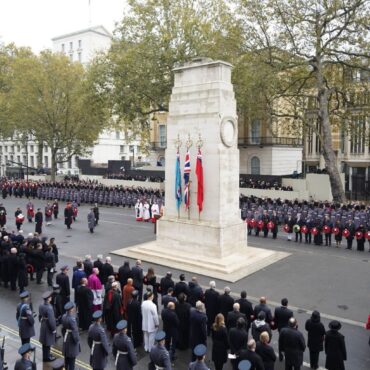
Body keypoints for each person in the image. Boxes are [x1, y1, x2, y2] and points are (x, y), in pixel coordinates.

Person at [61, 302, 80, 370]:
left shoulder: (63, 316)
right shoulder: (72, 319)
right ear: (71, 309)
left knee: (66, 359)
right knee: (72, 360)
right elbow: (75, 331)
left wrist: (65, 335)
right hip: (71, 340)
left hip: (66, 338)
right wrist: (77, 340)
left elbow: (63, 329)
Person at [38, 291, 57, 362]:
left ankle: (46, 355)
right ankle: (47, 357)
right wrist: (53, 329)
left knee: (44, 343)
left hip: (43, 324)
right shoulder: (49, 307)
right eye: (50, 297)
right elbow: (51, 320)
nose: (51, 298)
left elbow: (40, 315)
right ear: (48, 299)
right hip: (48, 326)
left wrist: (41, 320)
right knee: (48, 343)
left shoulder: (41, 305)